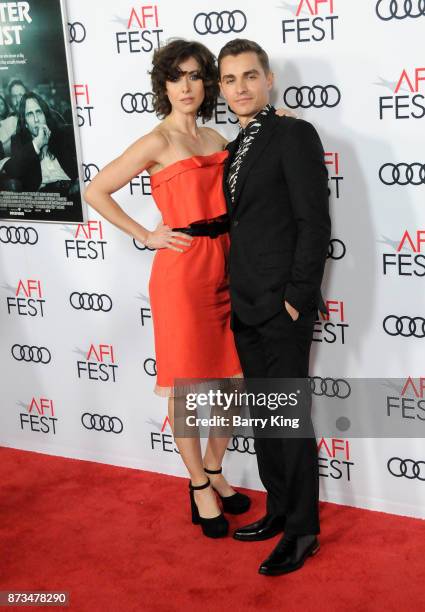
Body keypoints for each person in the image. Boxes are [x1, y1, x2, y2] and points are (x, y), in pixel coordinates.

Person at [84, 39, 253, 540]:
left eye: (197, 76)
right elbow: (95, 190)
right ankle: (198, 483)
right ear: (163, 84)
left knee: (232, 381)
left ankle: (217, 469)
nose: (187, 86)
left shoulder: (218, 137)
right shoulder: (156, 141)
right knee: (189, 389)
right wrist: (145, 233)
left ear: (206, 85)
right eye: (177, 76)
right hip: (182, 276)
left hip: (228, 265)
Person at [218, 39, 331, 574]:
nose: (240, 87)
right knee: (266, 419)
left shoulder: (294, 133)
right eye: (230, 79)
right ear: (222, 88)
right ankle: (279, 510)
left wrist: (295, 299)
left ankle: (304, 530)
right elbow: (243, 220)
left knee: (290, 421)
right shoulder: (235, 148)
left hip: (282, 306)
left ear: (269, 80)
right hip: (244, 304)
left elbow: (315, 224)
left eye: (249, 76)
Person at [4, 92, 79, 197]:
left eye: (38, 112)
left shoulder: (62, 133)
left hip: (72, 191)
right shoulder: (19, 140)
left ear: (45, 115)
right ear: (25, 123)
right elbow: (11, 170)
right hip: (45, 196)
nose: (36, 119)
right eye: (30, 114)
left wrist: (80, 180)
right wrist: (37, 143)